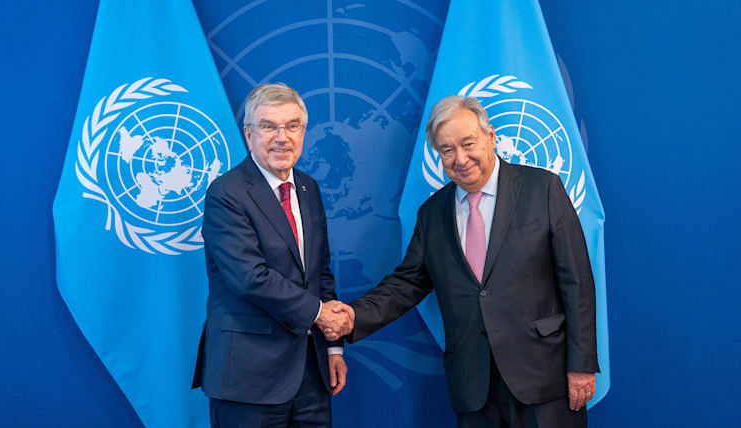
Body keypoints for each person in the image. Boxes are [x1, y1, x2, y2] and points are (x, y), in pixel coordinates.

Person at [326, 96, 599, 427]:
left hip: (544, 376)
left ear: (491, 137)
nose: (460, 158)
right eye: (446, 150)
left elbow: (577, 281)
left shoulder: (542, 189)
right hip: (473, 385)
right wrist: (354, 315)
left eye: (468, 143)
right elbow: (407, 283)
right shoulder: (432, 214)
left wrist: (581, 364)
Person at [192, 83, 351, 427]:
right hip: (249, 379)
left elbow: (319, 271)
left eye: (292, 126)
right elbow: (250, 277)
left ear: (303, 132)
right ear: (249, 134)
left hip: (310, 374)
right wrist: (321, 314)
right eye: (269, 126)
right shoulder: (227, 193)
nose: (282, 137)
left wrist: (334, 347)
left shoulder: (308, 188)